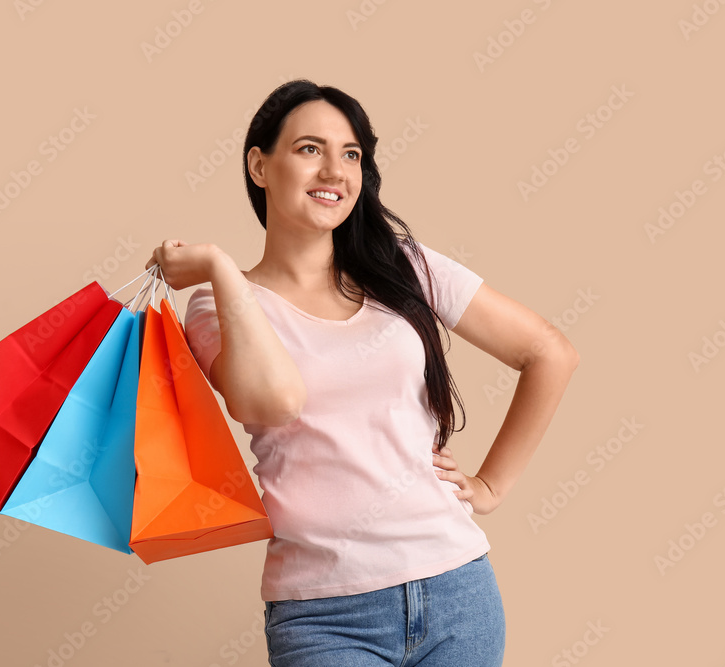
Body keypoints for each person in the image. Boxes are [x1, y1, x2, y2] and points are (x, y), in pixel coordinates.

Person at [144, 79, 579, 667]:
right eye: (309, 149)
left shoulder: (404, 266)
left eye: (351, 154)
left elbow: (548, 352)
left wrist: (491, 485)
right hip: (323, 613)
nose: (335, 171)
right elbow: (271, 403)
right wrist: (219, 267)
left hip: (457, 592)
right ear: (259, 165)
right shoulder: (217, 306)